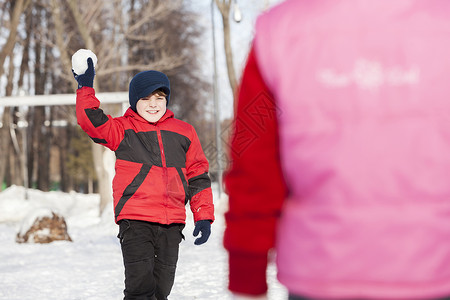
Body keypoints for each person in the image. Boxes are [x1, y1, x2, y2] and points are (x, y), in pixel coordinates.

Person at [224, 0, 450, 299]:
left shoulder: (280, 31)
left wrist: (247, 266)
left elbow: (253, 157)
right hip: (433, 264)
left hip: (321, 268)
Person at [73, 58, 214, 300]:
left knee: (161, 290)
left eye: (159, 98)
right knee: (140, 288)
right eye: (146, 99)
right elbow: (90, 120)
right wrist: (85, 86)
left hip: (172, 223)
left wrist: (203, 216)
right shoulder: (123, 130)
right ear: (134, 101)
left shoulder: (184, 132)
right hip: (135, 220)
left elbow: (198, 175)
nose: (153, 104)